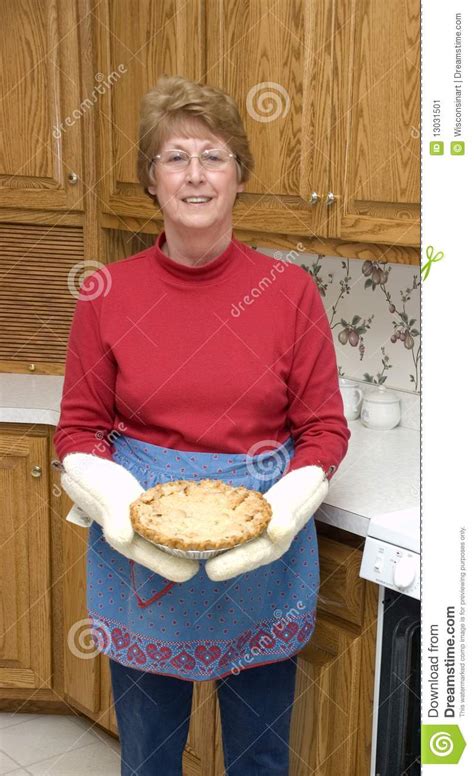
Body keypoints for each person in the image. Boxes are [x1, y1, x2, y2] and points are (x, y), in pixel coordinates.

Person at [53, 74, 351, 776]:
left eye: (212, 156)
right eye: (174, 157)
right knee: (152, 759)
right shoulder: (108, 294)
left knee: (258, 757)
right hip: (139, 549)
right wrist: (115, 503)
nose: (194, 175)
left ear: (239, 176)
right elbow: (79, 430)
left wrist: (284, 510)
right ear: (150, 180)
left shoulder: (289, 293)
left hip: (262, 549)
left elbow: (324, 430)